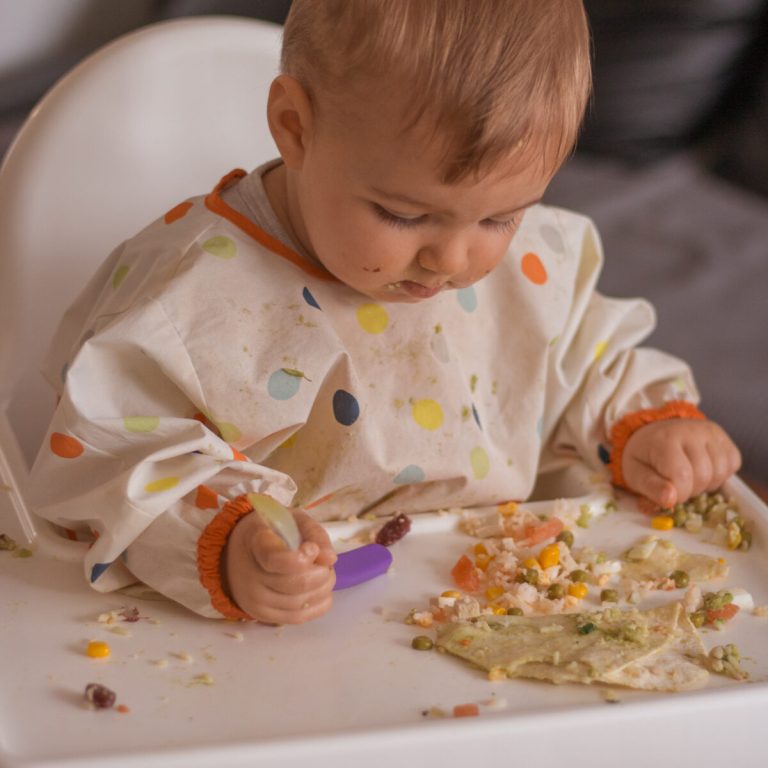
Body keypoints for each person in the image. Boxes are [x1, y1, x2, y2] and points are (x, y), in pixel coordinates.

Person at [29, 0, 741, 625]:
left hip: (497, 588)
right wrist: (229, 541)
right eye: (405, 214)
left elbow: (584, 357)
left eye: (500, 218)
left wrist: (648, 425)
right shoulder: (192, 298)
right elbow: (112, 455)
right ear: (293, 126)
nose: (453, 259)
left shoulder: (527, 266)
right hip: (280, 622)